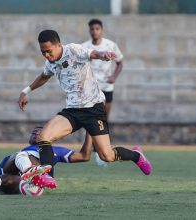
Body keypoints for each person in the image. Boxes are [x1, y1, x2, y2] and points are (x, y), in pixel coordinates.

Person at [18, 30, 152, 179]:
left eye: (49, 51)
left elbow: (94, 54)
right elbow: (44, 76)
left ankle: (136, 156)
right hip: (73, 110)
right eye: (43, 53)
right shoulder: (50, 63)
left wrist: (104, 55)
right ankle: (47, 178)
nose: (47, 56)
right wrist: (26, 91)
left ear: (58, 45)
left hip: (93, 109)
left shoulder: (74, 50)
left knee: (106, 155)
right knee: (44, 136)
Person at [0, 127, 93, 195]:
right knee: (5, 175)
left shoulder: (56, 150)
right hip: (18, 177)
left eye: (39, 131)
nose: (36, 132)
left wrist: (90, 130)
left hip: (29, 186)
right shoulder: (21, 152)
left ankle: (32, 178)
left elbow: (84, 156)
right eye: (33, 132)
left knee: (13, 171)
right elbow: (1, 178)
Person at [82, 19, 124, 167]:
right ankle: (94, 151)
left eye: (97, 29)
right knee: (93, 119)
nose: (94, 31)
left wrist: (114, 77)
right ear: (89, 31)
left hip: (107, 88)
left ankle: (102, 152)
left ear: (102, 30)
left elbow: (120, 62)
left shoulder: (110, 45)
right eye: (92, 29)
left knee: (103, 120)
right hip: (92, 90)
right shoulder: (84, 47)